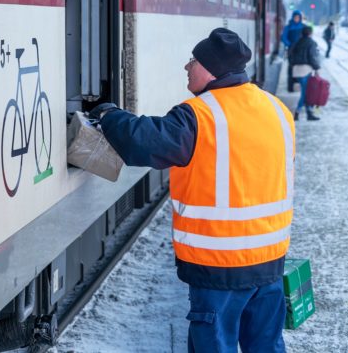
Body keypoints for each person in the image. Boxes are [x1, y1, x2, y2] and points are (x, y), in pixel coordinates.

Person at [89, 28, 295, 353]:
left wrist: (108, 114)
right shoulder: (277, 109)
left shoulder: (200, 115)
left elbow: (146, 142)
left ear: (211, 69)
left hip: (220, 269)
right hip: (270, 261)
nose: (187, 67)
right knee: (266, 346)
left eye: (193, 61)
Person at [289, 25, 321, 121]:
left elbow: (290, 55)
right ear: (310, 33)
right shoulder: (311, 43)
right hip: (305, 70)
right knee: (305, 94)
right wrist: (317, 68)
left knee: (306, 92)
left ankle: (309, 113)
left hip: (296, 70)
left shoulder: (297, 42)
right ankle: (298, 113)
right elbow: (312, 57)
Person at [281, 10, 305, 92]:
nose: (297, 19)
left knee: (301, 68)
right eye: (295, 17)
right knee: (291, 68)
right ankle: (290, 87)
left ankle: (299, 85)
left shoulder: (303, 27)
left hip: (301, 51)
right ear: (293, 17)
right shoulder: (288, 27)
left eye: (298, 17)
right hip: (291, 50)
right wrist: (289, 44)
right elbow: (283, 38)